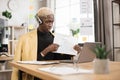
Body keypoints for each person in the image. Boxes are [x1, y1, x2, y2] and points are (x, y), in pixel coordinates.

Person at [11, 7, 81, 80]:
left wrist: (72, 52)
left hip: (52, 76)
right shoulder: (24, 39)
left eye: (52, 22)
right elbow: (17, 65)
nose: (50, 24)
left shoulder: (56, 38)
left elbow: (59, 61)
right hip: (34, 76)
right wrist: (46, 50)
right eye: (47, 21)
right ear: (39, 21)